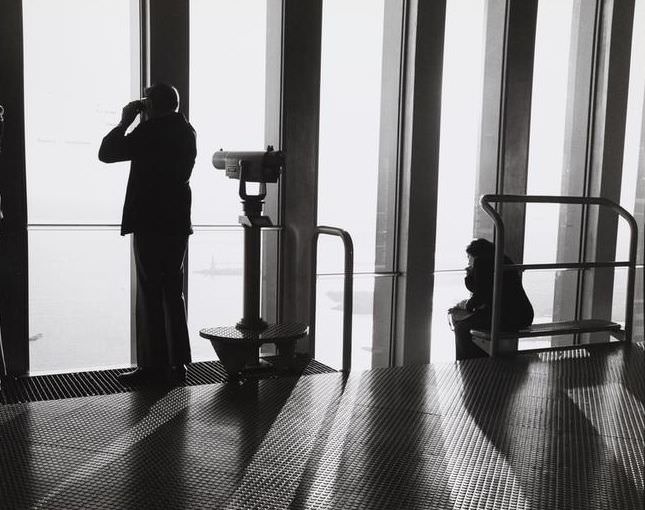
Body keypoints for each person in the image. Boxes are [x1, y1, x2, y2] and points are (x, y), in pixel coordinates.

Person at [99, 83, 196, 385]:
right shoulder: (186, 130)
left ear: (150, 105)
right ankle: (178, 365)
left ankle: (153, 368)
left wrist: (125, 121)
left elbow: (107, 152)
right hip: (176, 223)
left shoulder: (151, 131)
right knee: (172, 292)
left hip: (150, 222)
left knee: (150, 293)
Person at [449, 238, 534, 360]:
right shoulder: (502, 259)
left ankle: (469, 364)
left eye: (468, 257)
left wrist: (464, 304)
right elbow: (485, 290)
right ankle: (479, 363)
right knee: (470, 323)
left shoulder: (481, 262)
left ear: (474, 254)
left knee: (462, 327)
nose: (468, 262)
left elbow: (479, 296)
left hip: (506, 316)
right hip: (523, 314)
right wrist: (471, 275)